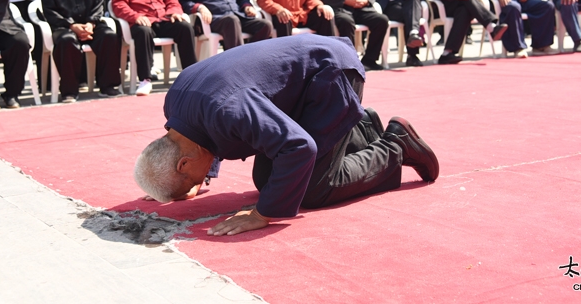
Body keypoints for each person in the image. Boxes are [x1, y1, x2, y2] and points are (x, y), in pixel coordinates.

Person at [134, 34, 439, 237]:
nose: (193, 183)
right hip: (300, 84)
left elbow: (299, 148)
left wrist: (263, 214)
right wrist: (198, 179)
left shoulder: (229, 109)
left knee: (313, 191)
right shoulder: (174, 104)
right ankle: (361, 127)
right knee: (268, 182)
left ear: (184, 163)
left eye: (188, 177)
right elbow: (198, 137)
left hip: (331, 75)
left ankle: (395, 144)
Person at [40, 0, 122, 101]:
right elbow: (49, 10)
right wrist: (72, 26)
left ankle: (108, 86)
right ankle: (70, 90)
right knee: (66, 41)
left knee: (109, 36)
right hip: (64, 27)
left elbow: (99, 5)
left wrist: (91, 24)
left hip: (91, 25)